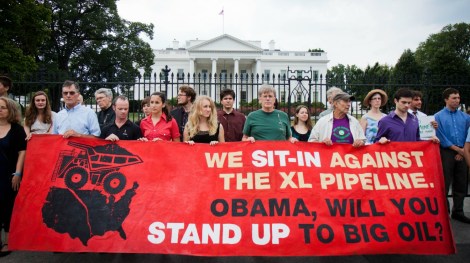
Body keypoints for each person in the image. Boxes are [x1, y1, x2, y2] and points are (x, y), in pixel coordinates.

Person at [435, 88, 470, 224]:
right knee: (445, 182)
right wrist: (458, 150)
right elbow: (440, 135)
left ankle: (458, 211)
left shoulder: (466, 117)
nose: (457, 100)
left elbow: (468, 135)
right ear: (446, 99)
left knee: (461, 182)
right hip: (446, 152)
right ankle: (445, 212)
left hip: (463, 151)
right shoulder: (438, 116)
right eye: (454, 98)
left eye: (458, 98)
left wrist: (463, 151)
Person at [0, 97, 26, 256]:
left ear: (10, 110)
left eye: (3, 107)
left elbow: (22, 152)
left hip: (8, 174)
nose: (0, 110)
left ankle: (9, 242)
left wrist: (17, 173)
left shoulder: (16, 129)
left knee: (8, 207)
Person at [375, 88, 439, 144]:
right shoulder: (385, 121)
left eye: (409, 103)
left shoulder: (415, 120)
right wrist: (380, 141)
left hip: (412, 156)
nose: (407, 105)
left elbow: (418, 140)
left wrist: (430, 140)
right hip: (393, 156)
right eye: (404, 102)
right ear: (395, 101)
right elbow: (376, 142)